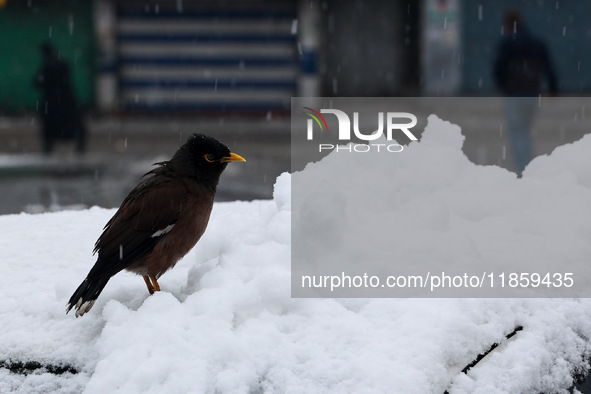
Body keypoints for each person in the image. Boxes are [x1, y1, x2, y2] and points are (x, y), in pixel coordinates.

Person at [493, 11, 558, 177]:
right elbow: (548, 66)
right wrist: (553, 88)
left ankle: (524, 170)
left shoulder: (507, 43)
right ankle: (528, 168)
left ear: (507, 25)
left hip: (514, 94)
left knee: (518, 134)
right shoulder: (536, 42)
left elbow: (498, 67)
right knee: (525, 132)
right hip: (532, 93)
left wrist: (502, 86)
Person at [34, 42, 87, 154]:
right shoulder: (61, 62)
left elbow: (39, 82)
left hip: (53, 101)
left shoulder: (48, 64)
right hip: (66, 100)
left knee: (51, 126)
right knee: (73, 124)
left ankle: (49, 147)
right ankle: (79, 144)